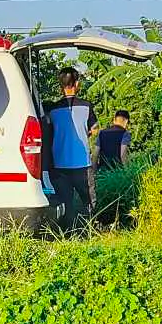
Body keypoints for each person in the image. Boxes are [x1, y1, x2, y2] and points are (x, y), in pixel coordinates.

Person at [43, 68, 96, 236]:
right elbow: (94, 129)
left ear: (60, 87)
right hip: (82, 164)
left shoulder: (52, 109)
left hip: (59, 164)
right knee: (89, 199)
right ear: (77, 84)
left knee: (66, 201)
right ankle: (89, 230)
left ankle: (68, 233)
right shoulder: (87, 106)